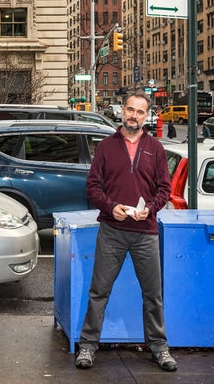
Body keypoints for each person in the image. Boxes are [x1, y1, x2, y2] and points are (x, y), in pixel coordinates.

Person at [74, 92, 177, 372]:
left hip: (145, 232)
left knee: (153, 295)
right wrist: (111, 208)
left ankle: (160, 348)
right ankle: (87, 346)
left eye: (140, 112)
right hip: (112, 230)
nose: (133, 115)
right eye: (130, 110)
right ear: (123, 111)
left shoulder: (155, 148)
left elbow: (164, 189)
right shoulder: (106, 147)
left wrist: (151, 209)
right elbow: (93, 187)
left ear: (147, 116)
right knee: (99, 292)